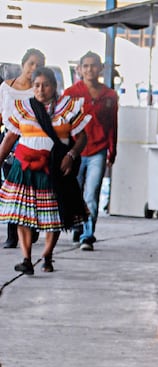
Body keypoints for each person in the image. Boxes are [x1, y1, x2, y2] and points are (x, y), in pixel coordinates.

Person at [0, 67, 89, 275]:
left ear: (54, 86)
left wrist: (71, 155)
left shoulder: (67, 108)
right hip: (24, 169)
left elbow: (82, 137)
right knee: (21, 215)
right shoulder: (22, 108)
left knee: (54, 217)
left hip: (54, 169)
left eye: (46, 85)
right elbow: (9, 138)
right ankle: (26, 258)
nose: (41, 90)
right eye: (37, 85)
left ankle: (47, 255)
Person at [63, 51, 118, 251]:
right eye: (85, 66)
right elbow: (63, 124)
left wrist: (113, 149)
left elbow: (113, 124)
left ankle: (88, 234)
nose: (89, 70)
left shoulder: (110, 95)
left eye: (93, 65)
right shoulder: (70, 93)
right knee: (74, 193)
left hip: (99, 150)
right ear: (79, 69)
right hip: (75, 151)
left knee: (92, 193)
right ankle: (77, 226)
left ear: (101, 68)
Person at [1, 48, 44, 249]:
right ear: (23, 63)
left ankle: (31, 227)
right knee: (11, 186)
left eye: (38, 65)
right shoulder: (6, 87)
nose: (34, 68)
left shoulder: (38, 91)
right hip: (8, 138)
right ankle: (12, 234)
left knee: (30, 186)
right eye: (31, 63)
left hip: (30, 140)